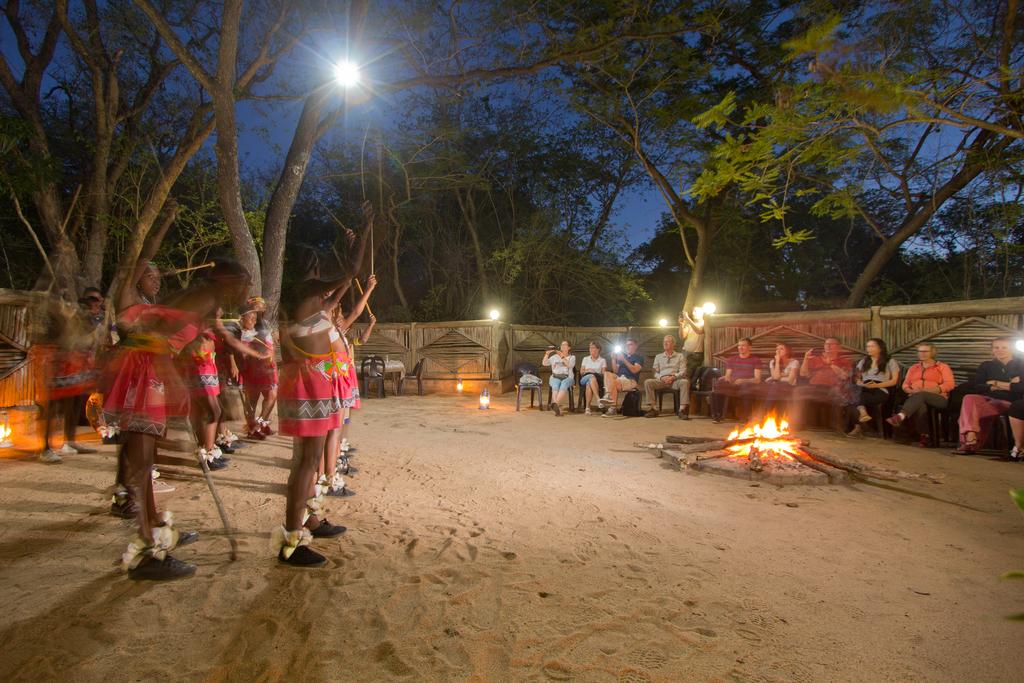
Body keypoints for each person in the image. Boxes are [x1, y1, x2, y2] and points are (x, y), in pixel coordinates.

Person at [102, 258, 253, 580]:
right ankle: (147, 548)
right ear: (229, 282)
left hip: (145, 366)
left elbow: (168, 329)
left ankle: (155, 524)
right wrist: (174, 380)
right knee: (143, 455)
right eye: (245, 283)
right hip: (144, 368)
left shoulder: (205, 300)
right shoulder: (205, 298)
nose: (247, 290)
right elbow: (152, 336)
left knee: (146, 452)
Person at [953, 337, 1024, 454]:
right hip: (986, 397)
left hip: (1008, 401)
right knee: (969, 398)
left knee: (970, 412)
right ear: (992, 350)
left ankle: (969, 443)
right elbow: (978, 386)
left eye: (1004, 347)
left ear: (1011, 349)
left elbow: (1020, 388)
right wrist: (1008, 384)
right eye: (996, 347)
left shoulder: (1020, 365)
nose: (1000, 350)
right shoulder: (986, 365)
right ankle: (970, 434)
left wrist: (993, 382)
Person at [886, 343, 955, 446]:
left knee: (921, 395)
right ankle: (925, 436)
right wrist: (911, 391)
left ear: (932, 353)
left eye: (925, 351)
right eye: (920, 351)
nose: (922, 354)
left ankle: (901, 416)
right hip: (916, 397)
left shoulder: (942, 367)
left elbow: (949, 385)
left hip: (938, 398)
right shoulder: (913, 368)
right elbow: (905, 384)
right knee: (920, 404)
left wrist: (928, 391)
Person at [237, 297, 279, 438]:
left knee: (271, 396)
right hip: (254, 368)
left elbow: (269, 342)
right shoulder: (245, 331)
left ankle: (261, 424)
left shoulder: (264, 323)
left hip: (268, 367)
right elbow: (244, 350)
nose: (260, 310)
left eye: (262, 307)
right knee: (252, 399)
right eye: (257, 307)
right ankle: (252, 429)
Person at [790, 337, 852, 429]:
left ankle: (838, 426)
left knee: (838, 392)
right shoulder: (816, 359)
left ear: (838, 347)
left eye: (831, 344)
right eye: (826, 344)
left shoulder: (844, 361)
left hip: (833, 387)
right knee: (798, 391)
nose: (828, 346)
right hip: (815, 387)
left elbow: (844, 376)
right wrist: (806, 359)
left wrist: (830, 364)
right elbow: (803, 374)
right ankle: (797, 424)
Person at [845, 338, 900, 438]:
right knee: (855, 394)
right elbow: (857, 378)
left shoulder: (890, 361)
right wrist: (861, 383)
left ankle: (861, 418)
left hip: (881, 389)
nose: (868, 349)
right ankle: (860, 425)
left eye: (872, 346)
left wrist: (876, 385)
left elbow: (894, 381)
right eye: (868, 346)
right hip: (865, 387)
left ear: (880, 348)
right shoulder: (864, 361)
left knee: (854, 399)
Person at [710, 337, 762, 423]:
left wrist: (743, 380)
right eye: (739, 345)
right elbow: (728, 375)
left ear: (749, 347)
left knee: (746, 388)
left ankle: (747, 417)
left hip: (748, 385)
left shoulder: (755, 360)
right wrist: (728, 379)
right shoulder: (732, 359)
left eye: (743, 345)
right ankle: (717, 415)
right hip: (733, 384)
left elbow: (757, 379)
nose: (740, 347)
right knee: (718, 385)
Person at [643, 335, 689, 419]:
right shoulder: (658, 356)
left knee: (685, 382)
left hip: (674, 381)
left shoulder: (680, 356)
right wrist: (661, 378)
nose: (665, 343)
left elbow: (683, 371)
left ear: (673, 344)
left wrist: (673, 377)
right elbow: (654, 371)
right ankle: (654, 409)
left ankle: (682, 410)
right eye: (664, 341)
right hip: (662, 380)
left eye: (668, 341)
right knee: (648, 382)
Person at [599, 339, 643, 417]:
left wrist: (624, 360)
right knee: (607, 373)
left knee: (613, 383)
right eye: (626, 345)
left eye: (630, 344)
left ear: (635, 346)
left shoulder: (638, 358)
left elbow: (635, 370)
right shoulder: (622, 357)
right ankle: (609, 396)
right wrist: (613, 359)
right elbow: (615, 371)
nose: (627, 346)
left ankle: (612, 406)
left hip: (630, 380)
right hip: (619, 378)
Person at [543, 340, 576, 417]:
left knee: (564, 384)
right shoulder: (554, 357)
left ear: (569, 347)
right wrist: (547, 354)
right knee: (555, 385)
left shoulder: (572, 357)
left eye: (565, 345)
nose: (562, 346)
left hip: (568, 377)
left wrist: (562, 356)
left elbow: (570, 365)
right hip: (555, 376)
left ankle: (555, 404)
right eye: (562, 345)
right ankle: (556, 408)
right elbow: (544, 363)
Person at [579, 341, 607, 416]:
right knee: (591, 377)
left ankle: (587, 408)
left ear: (598, 349)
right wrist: (588, 370)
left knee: (589, 383)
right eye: (590, 348)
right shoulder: (585, 359)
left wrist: (595, 372)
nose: (590, 349)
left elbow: (603, 374)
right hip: (585, 377)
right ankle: (598, 399)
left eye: (593, 347)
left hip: (597, 379)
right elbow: (581, 372)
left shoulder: (602, 360)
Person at [678, 309, 705, 381]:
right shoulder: (689, 323)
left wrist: (688, 319)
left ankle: (688, 387)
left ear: (702, 312)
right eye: (693, 311)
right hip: (685, 352)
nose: (693, 313)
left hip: (696, 354)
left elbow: (699, 331)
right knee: (681, 373)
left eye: (696, 311)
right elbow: (682, 336)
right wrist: (681, 324)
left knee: (689, 375)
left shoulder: (704, 323)